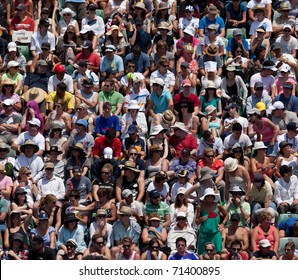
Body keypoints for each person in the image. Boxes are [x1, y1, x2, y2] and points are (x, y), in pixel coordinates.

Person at [196, 188, 228, 254]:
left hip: (215, 233)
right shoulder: (200, 207)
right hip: (204, 234)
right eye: (208, 196)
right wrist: (200, 219)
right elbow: (196, 221)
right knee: (202, 254)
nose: (210, 197)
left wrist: (222, 224)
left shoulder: (218, 206)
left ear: (214, 197)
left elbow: (227, 215)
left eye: (211, 196)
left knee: (217, 253)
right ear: (205, 197)